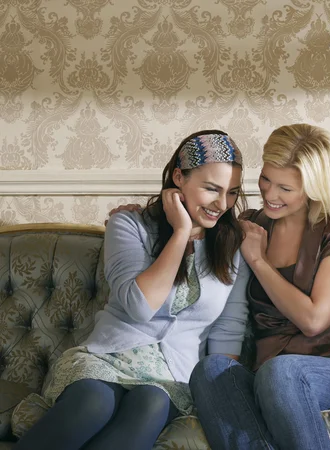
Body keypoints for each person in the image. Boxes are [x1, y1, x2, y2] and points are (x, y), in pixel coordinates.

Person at [15, 131, 250, 450]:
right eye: (211, 189)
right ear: (179, 177)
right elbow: (141, 306)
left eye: (232, 192)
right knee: (93, 400)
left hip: (172, 375)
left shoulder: (235, 246)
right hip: (109, 355)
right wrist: (181, 233)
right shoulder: (129, 225)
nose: (223, 204)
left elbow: (228, 329)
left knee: (150, 402)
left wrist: (221, 398)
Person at [189, 123, 330, 450]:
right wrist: (137, 217)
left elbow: (313, 320)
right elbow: (193, 223)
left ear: (312, 187)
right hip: (269, 373)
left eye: (286, 188)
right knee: (209, 371)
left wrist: (260, 262)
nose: (270, 194)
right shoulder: (250, 224)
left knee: (281, 373)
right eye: (266, 179)